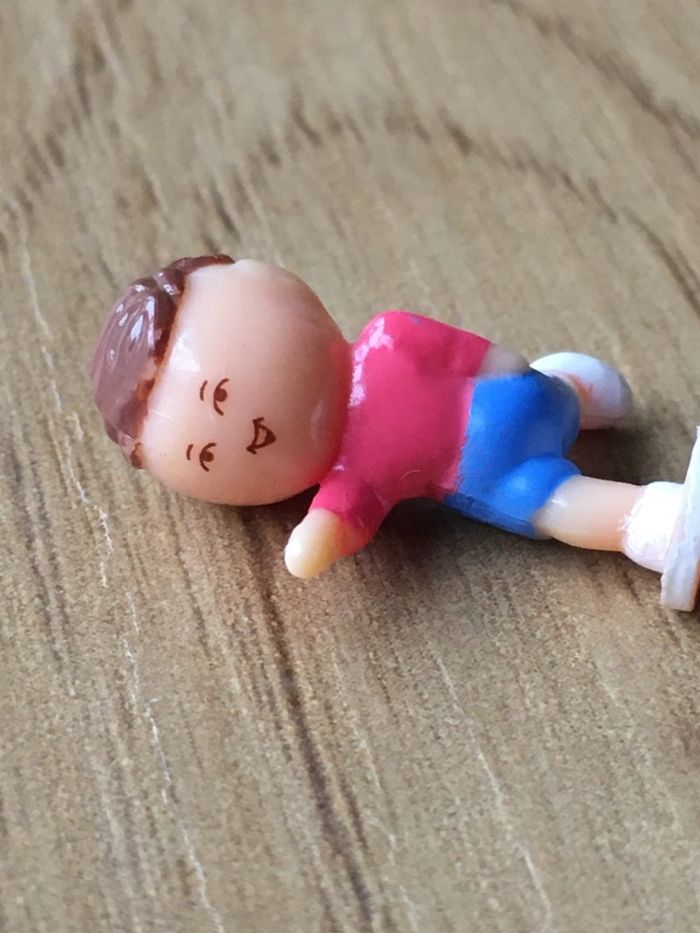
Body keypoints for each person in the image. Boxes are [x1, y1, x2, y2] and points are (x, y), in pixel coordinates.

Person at [90, 256, 700, 609]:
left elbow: (471, 353)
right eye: (205, 454)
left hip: (514, 395)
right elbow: (342, 516)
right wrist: (317, 538)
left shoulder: (389, 336)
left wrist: (515, 370)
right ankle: (649, 522)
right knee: (553, 503)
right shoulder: (348, 476)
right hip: (489, 477)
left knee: (554, 396)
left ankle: (573, 389)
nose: (235, 434)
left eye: (219, 394)